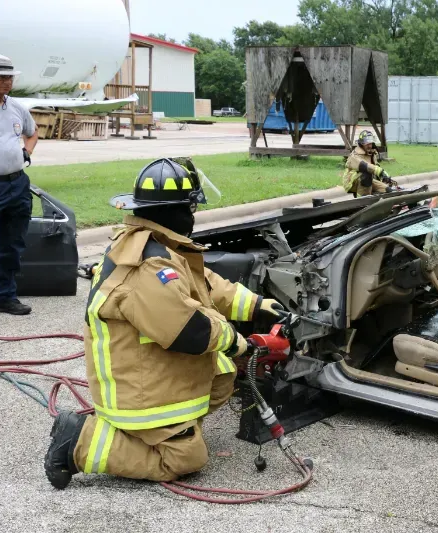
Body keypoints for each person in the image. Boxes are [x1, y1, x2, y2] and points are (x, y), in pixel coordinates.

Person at [44, 157, 284, 489]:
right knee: (188, 459)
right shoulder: (147, 267)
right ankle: (78, 442)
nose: (193, 216)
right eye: (191, 208)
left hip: (147, 375)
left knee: (221, 375)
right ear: (177, 211)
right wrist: (238, 341)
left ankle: (170, 431)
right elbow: (190, 330)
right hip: (137, 392)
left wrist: (257, 305)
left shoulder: (155, 245)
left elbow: (207, 285)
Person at [0, 54, 38, 315]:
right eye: (1, 77)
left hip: (16, 185)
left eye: (9, 77)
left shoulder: (17, 107)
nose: (7, 82)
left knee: (12, 243)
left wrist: (26, 152)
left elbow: (32, 133)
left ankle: (4, 296)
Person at [342, 130, 396, 196]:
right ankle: (364, 200)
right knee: (366, 174)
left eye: (370, 143)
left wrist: (384, 178)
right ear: (361, 144)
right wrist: (381, 172)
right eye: (367, 144)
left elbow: (375, 169)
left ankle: (375, 199)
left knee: (388, 190)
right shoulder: (354, 156)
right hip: (352, 182)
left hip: (369, 179)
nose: (369, 146)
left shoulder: (372, 154)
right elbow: (365, 166)